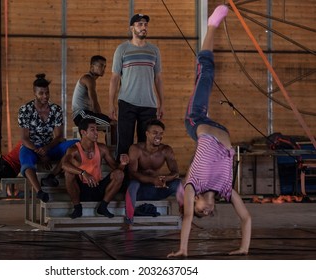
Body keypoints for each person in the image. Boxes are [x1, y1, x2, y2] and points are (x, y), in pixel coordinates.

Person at [167, 5, 251, 258]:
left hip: (196, 120)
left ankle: (212, 25)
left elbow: (188, 218)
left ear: (193, 201)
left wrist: (183, 249)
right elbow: (246, 218)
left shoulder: (195, 186)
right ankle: (211, 27)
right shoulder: (226, 189)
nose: (208, 211)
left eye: (201, 210)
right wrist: (243, 248)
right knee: (206, 73)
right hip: (219, 130)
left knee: (206, 71)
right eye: (209, 213)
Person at [109, 13, 164, 159]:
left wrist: (161, 103)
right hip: (127, 102)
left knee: (145, 144)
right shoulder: (122, 49)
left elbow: (158, 79)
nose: (143, 27)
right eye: (140, 24)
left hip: (149, 104)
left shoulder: (154, 51)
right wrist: (111, 104)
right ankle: (123, 179)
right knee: (124, 143)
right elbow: (114, 78)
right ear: (132, 28)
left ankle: (141, 178)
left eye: (145, 24)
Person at [18, 73, 78, 203]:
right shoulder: (25, 110)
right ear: (34, 93)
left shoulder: (56, 110)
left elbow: (59, 136)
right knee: (25, 160)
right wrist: (40, 152)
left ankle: (52, 176)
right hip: (32, 147)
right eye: (41, 93)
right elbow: (24, 138)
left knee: (77, 144)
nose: (45, 96)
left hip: (50, 146)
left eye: (47, 93)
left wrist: (46, 149)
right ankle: (39, 191)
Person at [61, 118, 129, 219]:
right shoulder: (73, 150)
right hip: (81, 190)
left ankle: (103, 207)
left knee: (119, 174)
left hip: (98, 188)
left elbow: (116, 168)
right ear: (83, 132)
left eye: (97, 130)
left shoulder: (102, 148)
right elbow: (64, 164)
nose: (97, 133)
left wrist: (123, 164)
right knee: (68, 173)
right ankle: (77, 207)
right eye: (93, 130)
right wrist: (83, 173)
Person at [125, 119, 181, 227]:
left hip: (156, 189)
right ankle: (129, 220)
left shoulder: (166, 150)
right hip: (140, 191)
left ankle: (185, 216)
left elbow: (175, 172)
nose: (158, 136)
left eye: (161, 133)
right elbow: (132, 173)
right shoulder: (136, 149)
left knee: (179, 183)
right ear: (147, 134)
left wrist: (165, 179)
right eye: (155, 133)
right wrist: (153, 180)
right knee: (133, 184)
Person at [72, 55, 112, 127]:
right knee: (112, 124)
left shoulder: (91, 80)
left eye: (105, 66)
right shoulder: (88, 79)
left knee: (111, 124)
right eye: (101, 65)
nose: (103, 69)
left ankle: (109, 137)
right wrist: (100, 117)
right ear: (92, 67)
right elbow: (94, 102)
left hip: (85, 114)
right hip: (81, 114)